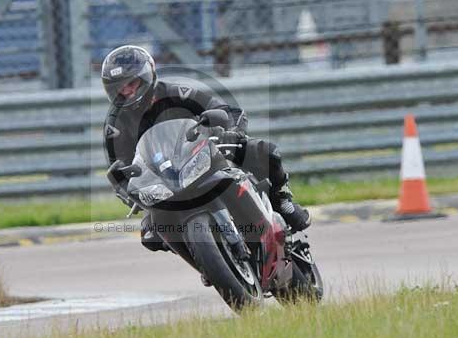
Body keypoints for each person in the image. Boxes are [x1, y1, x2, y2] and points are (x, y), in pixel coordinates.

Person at [101, 45, 310, 252]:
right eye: (120, 88)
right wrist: (130, 191)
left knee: (265, 151)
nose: (127, 91)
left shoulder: (176, 93)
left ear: (148, 76)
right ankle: (202, 257)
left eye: (132, 83)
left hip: (204, 154)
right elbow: (120, 168)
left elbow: (226, 110)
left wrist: (231, 130)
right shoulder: (115, 125)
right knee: (150, 235)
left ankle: (282, 201)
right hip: (164, 182)